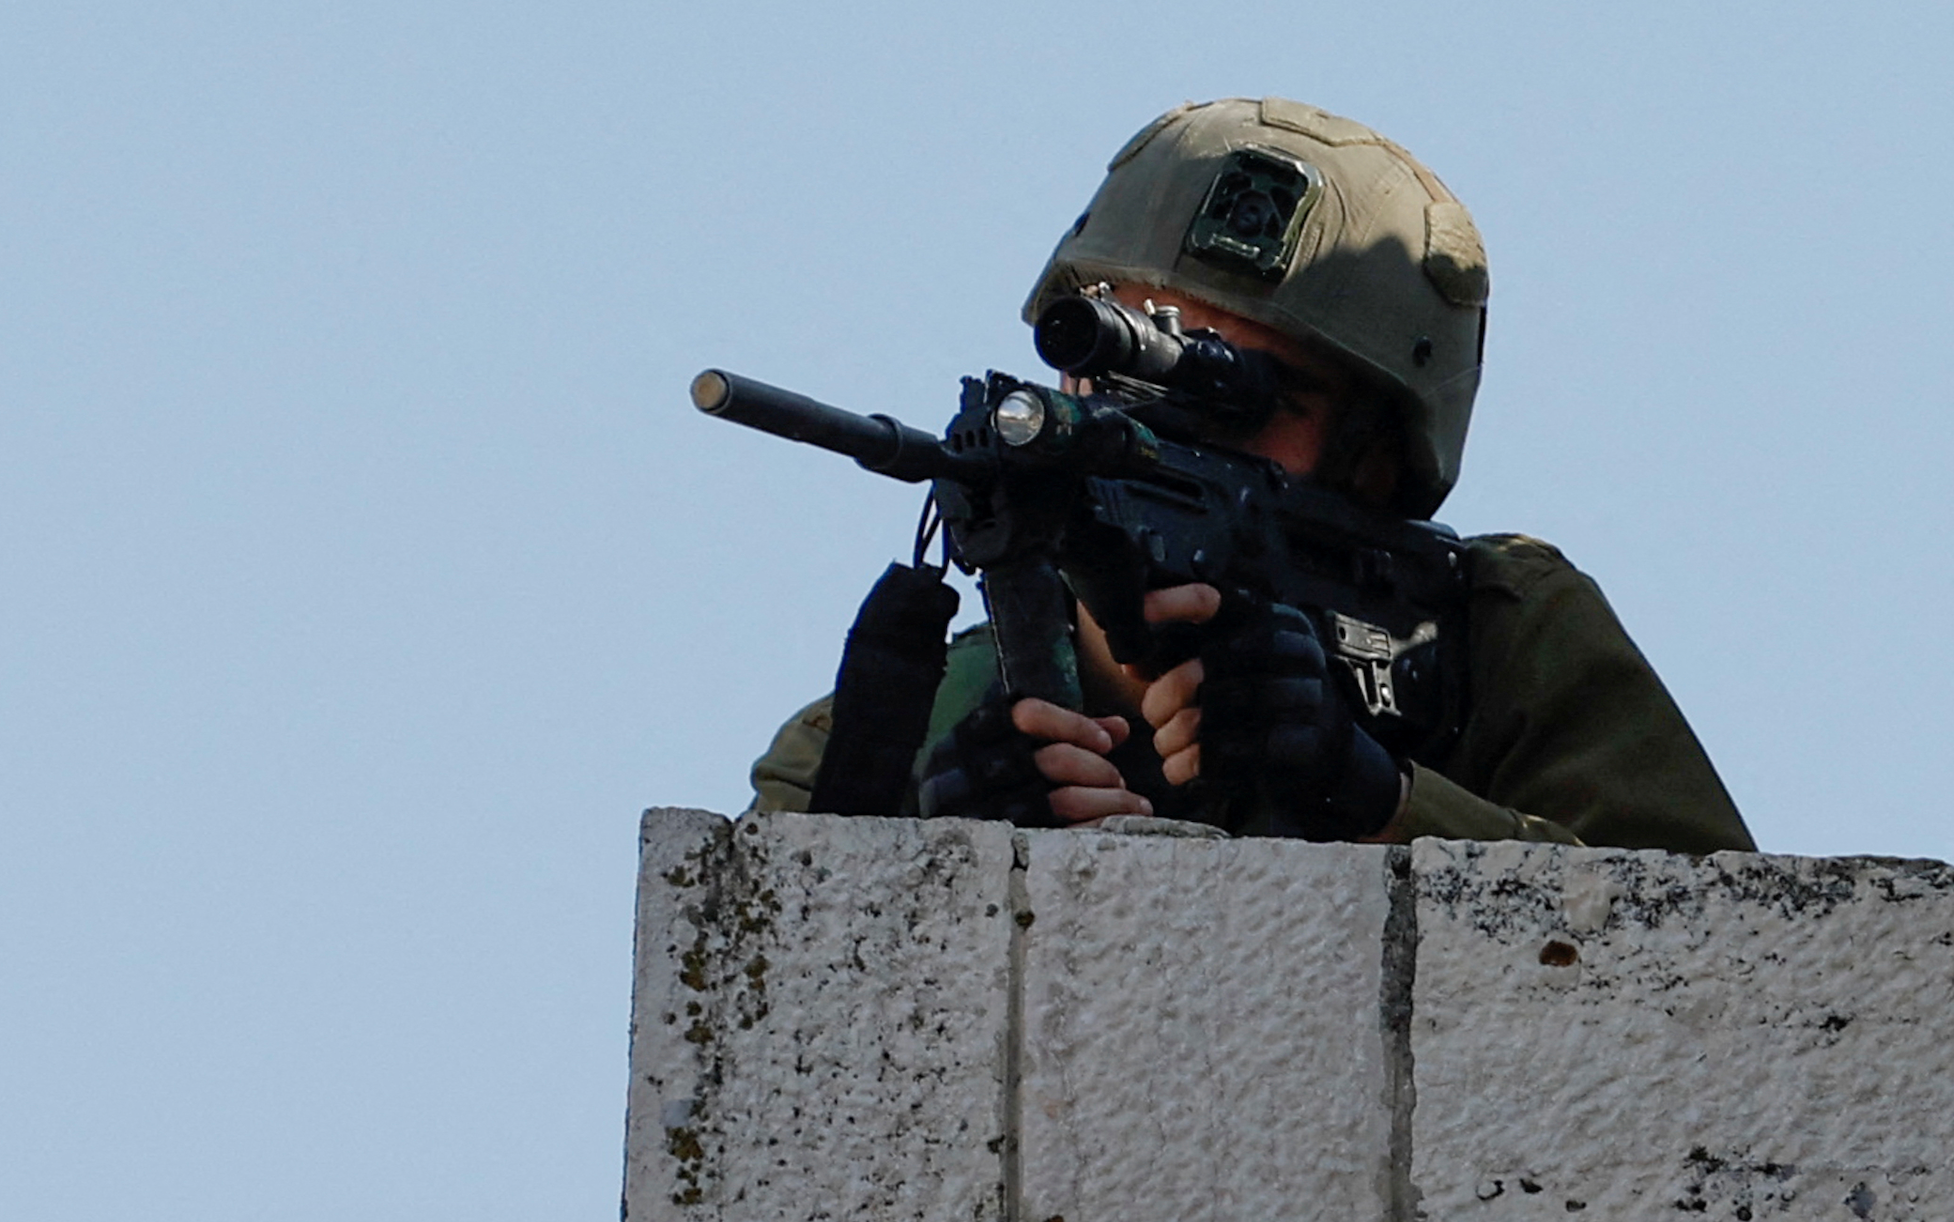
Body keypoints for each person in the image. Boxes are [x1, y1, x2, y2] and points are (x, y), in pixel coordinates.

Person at [746, 97, 1755, 854]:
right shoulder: (874, 739)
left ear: (1374, 458)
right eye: (1127, 349)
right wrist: (935, 870)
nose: (1159, 416)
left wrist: (1376, 799)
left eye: (1253, 393)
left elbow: (1736, 974)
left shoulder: (1501, 644)